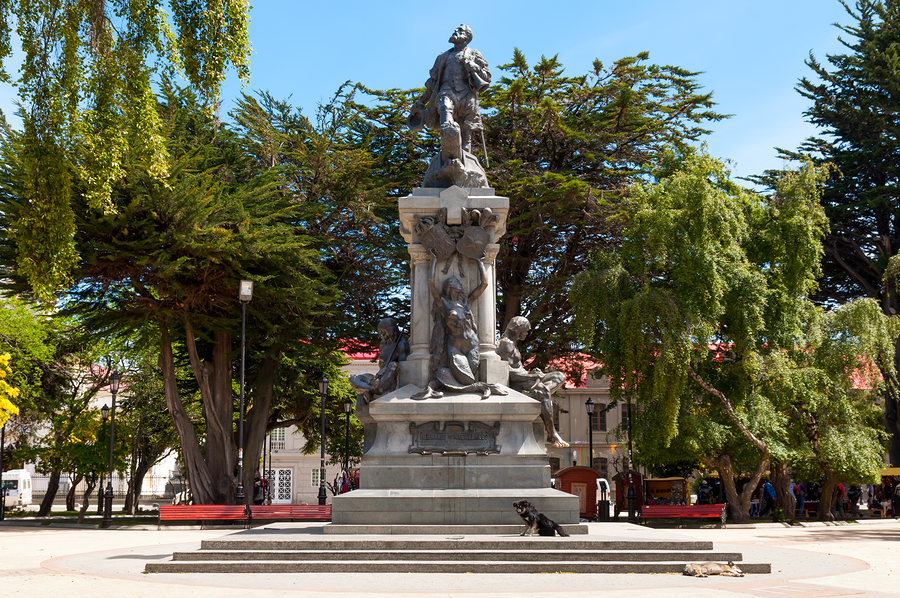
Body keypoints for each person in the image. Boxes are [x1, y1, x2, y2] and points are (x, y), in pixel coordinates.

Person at [407, 24, 492, 188]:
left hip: (467, 95)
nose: (455, 32)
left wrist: (472, 66)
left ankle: (465, 162)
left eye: (459, 31)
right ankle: (447, 128)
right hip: (447, 91)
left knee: (466, 134)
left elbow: (487, 76)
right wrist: (421, 101)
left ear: (466, 37)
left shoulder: (474, 54)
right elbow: (432, 84)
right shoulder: (443, 57)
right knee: (444, 106)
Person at [497, 316, 568, 447]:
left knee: (559, 376)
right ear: (518, 329)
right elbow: (506, 372)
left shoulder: (513, 343)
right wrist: (531, 377)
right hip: (517, 384)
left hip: (525, 379)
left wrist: (534, 374)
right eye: (525, 330)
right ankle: (552, 433)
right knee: (544, 390)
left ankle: (538, 397)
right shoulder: (506, 344)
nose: (527, 334)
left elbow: (518, 367)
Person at [349, 317, 410, 404]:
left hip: (389, 380)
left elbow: (403, 369)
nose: (380, 334)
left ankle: (371, 390)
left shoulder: (402, 344)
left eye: (382, 332)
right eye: (379, 332)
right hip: (378, 378)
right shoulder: (383, 343)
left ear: (389, 331)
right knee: (354, 378)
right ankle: (371, 389)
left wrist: (387, 370)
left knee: (393, 365)